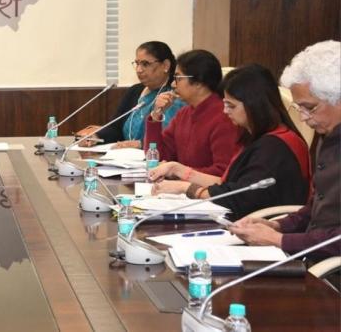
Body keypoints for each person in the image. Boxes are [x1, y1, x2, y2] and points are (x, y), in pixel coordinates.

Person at [150, 64, 311, 219]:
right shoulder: (255, 137)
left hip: (261, 226)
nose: (225, 111)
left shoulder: (274, 147)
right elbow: (227, 183)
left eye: (231, 106)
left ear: (253, 105)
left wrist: (187, 188)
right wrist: (177, 169)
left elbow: (241, 197)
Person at [230, 40, 340, 260]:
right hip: (313, 257)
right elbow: (318, 207)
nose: (303, 118)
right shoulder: (328, 136)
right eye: (299, 108)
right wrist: (277, 226)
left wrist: (279, 240)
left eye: (310, 108)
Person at [143, 49, 241, 177]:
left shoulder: (225, 116)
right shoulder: (184, 114)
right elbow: (156, 157)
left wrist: (179, 172)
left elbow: (222, 172)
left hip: (208, 189)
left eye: (178, 78)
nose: (173, 84)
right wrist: (156, 116)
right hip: (180, 187)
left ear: (198, 82)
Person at [80, 41, 186, 148]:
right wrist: (95, 137)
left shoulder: (175, 95)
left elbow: (171, 138)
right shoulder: (135, 91)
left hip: (155, 155)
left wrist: (140, 144)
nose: (139, 70)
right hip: (127, 156)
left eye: (145, 64)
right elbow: (115, 128)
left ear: (165, 65)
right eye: (137, 63)